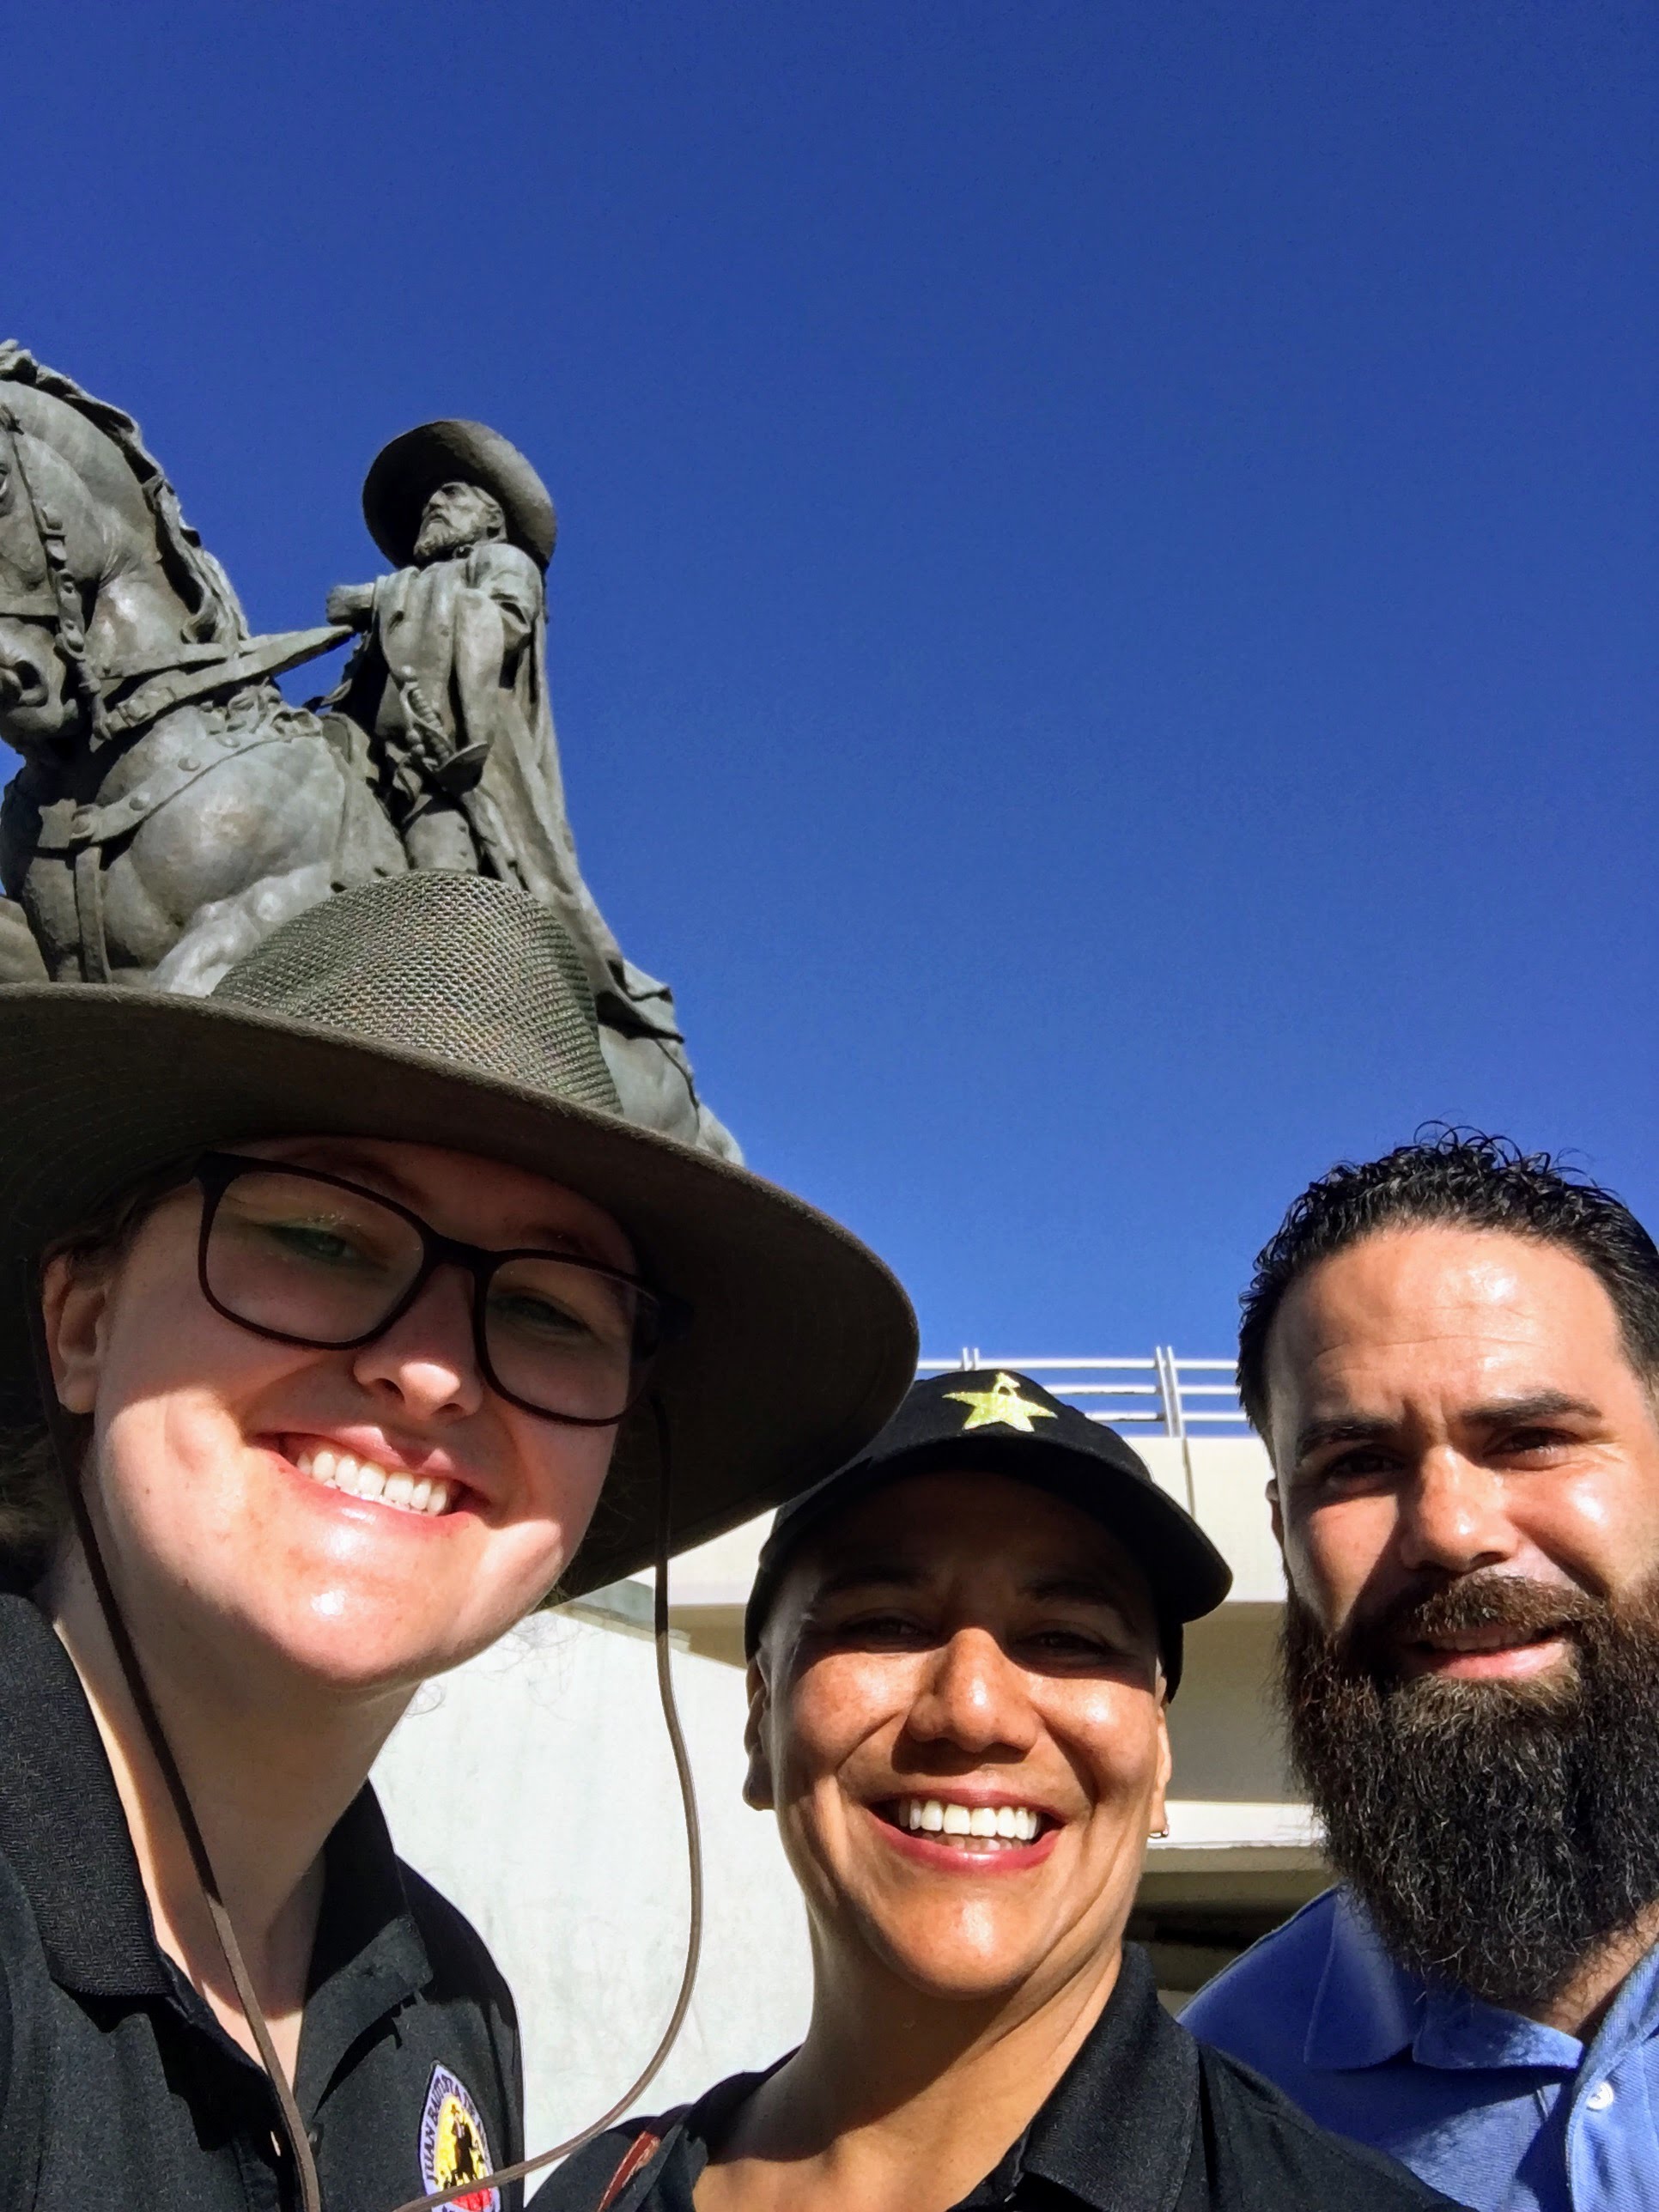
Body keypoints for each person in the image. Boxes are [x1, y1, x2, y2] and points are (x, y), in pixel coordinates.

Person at [0, 867, 915, 2211]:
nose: (431, 1371)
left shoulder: (450, 2002)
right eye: (318, 1234)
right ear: (81, 1325)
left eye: (553, 1312)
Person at [541, 1367, 1467, 2212]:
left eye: (1067, 1635)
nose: (973, 1708)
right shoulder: (596, 2192)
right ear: (760, 1721)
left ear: (1158, 1752)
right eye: (887, 1621)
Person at [1184, 1130, 1659, 2210]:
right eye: (1357, 1463)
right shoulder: (1207, 2122)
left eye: (1533, 1436)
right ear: (1284, 1530)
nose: (1448, 1529)